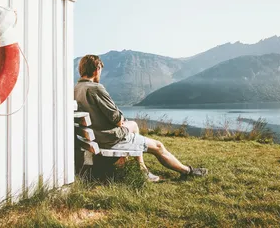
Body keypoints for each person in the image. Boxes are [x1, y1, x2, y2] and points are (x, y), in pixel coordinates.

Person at [74, 54, 208, 181]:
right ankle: (187, 171)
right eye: (100, 70)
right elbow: (117, 119)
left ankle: (141, 168)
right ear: (97, 69)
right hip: (108, 137)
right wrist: (121, 118)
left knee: (133, 125)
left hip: (92, 136)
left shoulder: (77, 88)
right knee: (158, 146)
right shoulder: (95, 88)